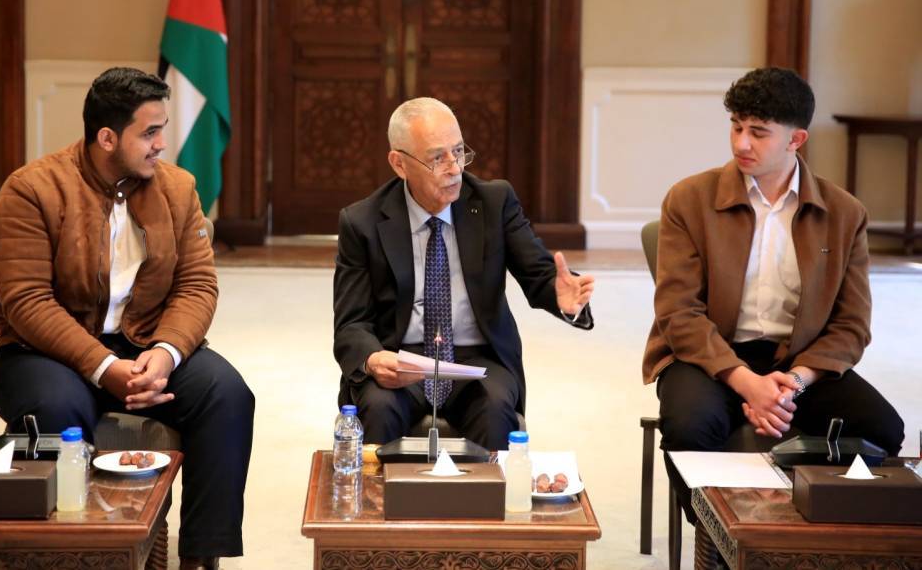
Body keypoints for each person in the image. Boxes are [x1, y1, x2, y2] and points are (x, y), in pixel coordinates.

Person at [0, 67, 254, 570]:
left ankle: (201, 556)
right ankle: (77, 554)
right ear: (107, 138)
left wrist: (166, 351)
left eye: (163, 129)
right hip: (44, 353)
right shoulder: (31, 190)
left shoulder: (179, 188)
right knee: (56, 407)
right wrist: (104, 367)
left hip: (147, 344)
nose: (162, 144)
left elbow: (197, 285)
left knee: (227, 394)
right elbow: (26, 302)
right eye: (149, 132)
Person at [644, 67, 905, 522]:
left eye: (758, 132)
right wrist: (749, 383)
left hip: (799, 363)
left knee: (882, 428)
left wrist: (794, 383)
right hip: (706, 357)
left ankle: (810, 532)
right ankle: (716, 540)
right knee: (690, 425)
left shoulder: (844, 213)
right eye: (736, 127)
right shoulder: (688, 199)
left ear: (796, 139)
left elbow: (851, 325)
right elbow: (678, 312)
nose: (741, 143)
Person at [333, 97, 595, 450]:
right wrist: (372, 358)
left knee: (495, 408)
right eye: (437, 158)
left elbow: (539, 274)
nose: (454, 168)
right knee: (378, 408)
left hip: (478, 358)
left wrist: (560, 295)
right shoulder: (361, 222)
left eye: (459, 151)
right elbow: (350, 324)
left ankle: (489, 490)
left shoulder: (494, 202)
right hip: (400, 357)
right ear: (399, 163)